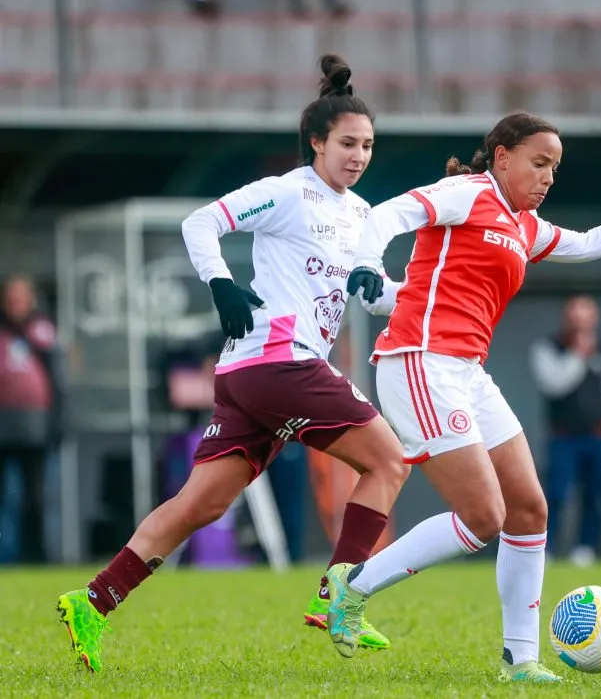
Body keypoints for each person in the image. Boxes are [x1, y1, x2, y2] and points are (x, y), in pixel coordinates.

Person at [329, 111, 601, 682]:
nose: (548, 178)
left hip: (466, 370)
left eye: (555, 168)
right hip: (420, 360)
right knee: (484, 516)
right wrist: (366, 262)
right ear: (502, 156)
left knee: (530, 509)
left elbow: (588, 243)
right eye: (539, 163)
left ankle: (520, 659)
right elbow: (391, 212)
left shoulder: (524, 225)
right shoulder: (468, 193)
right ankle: (351, 586)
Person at [55, 55, 410, 673]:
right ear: (317, 143)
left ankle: (94, 599)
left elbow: (377, 294)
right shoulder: (287, 193)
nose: (359, 155)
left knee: (200, 505)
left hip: (250, 375)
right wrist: (221, 283)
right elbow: (203, 223)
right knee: (389, 460)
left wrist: (407, 290)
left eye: (369, 145)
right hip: (280, 362)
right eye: (348, 143)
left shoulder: (360, 215)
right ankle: (338, 596)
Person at [529, 296, 601, 566]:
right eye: (576, 318)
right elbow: (553, 384)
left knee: (596, 495)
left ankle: (584, 548)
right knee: (557, 494)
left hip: (600, 437)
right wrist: (577, 356)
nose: (581, 325)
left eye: (586, 318)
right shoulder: (548, 347)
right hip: (563, 437)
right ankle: (547, 548)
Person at [0, 275, 61, 564]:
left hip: (35, 425)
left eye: (22, 298)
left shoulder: (42, 332)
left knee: (35, 497)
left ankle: (35, 555)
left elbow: (57, 380)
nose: (17, 305)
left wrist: (58, 422)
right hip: (3, 422)